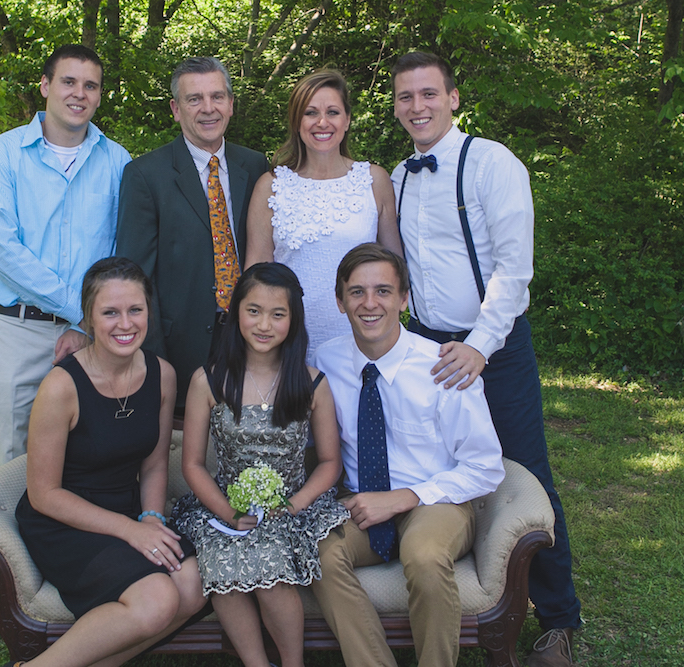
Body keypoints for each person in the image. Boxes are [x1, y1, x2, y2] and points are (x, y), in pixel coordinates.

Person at [391, 51, 582, 666]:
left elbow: (513, 270)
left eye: (428, 94)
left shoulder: (493, 163)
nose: (417, 106)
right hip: (426, 345)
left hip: (491, 347)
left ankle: (558, 619)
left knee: (525, 470)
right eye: (405, 97)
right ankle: (459, 582)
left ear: (452, 98)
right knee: (436, 465)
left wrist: (479, 345)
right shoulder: (397, 176)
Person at [312, 243, 505, 667]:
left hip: (437, 501)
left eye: (383, 291)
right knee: (320, 552)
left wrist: (407, 497)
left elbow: (485, 466)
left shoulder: (444, 365)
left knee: (423, 555)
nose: (370, 303)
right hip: (362, 503)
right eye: (357, 292)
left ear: (403, 299)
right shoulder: (325, 362)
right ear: (340, 300)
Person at [12, 257, 205, 667]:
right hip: (64, 520)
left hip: (126, 507)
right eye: (110, 313)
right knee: (157, 600)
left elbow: (154, 463)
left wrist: (151, 517)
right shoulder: (61, 386)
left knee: (192, 589)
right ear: (88, 319)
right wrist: (130, 532)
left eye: (135, 310)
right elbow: (43, 494)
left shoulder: (162, 374)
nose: (125, 324)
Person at [172, 262, 350, 667]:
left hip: (291, 505)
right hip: (224, 506)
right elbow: (194, 465)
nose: (264, 324)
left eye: (278, 314)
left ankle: (292, 662)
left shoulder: (310, 383)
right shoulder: (210, 380)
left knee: (267, 557)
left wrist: (294, 504)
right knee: (221, 559)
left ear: (293, 320)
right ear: (236, 313)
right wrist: (228, 513)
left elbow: (329, 462)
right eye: (253, 311)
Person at [0, 44, 131, 474]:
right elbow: (4, 249)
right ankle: (0, 542)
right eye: (68, 81)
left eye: (90, 85)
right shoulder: (4, 155)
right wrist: (78, 312)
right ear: (45, 86)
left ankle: (63, 542)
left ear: (99, 96)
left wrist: (86, 325)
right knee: (9, 457)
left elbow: (121, 249)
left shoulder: (117, 161)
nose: (79, 93)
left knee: (84, 457)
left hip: (89, 337)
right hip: (17, 331)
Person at [116, 56, 270, 414]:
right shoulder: (145, 175)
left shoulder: (256, 165)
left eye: (217, 97)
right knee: (184, 450)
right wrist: (154, 357)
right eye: (194, 99)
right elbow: (135, 275)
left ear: (231, 104)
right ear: (175, 108)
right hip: (180, 342)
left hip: (250, 332)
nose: (208, 108)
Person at [245, 69, 403, 364]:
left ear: (347, 120)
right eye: (310, 113)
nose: (322, 122)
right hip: (291, 346)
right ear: (296, 121)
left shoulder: (374, 180)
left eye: (333, 112)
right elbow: (254, 279)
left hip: (364, 344)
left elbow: (396, 270)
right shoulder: (271, 186)